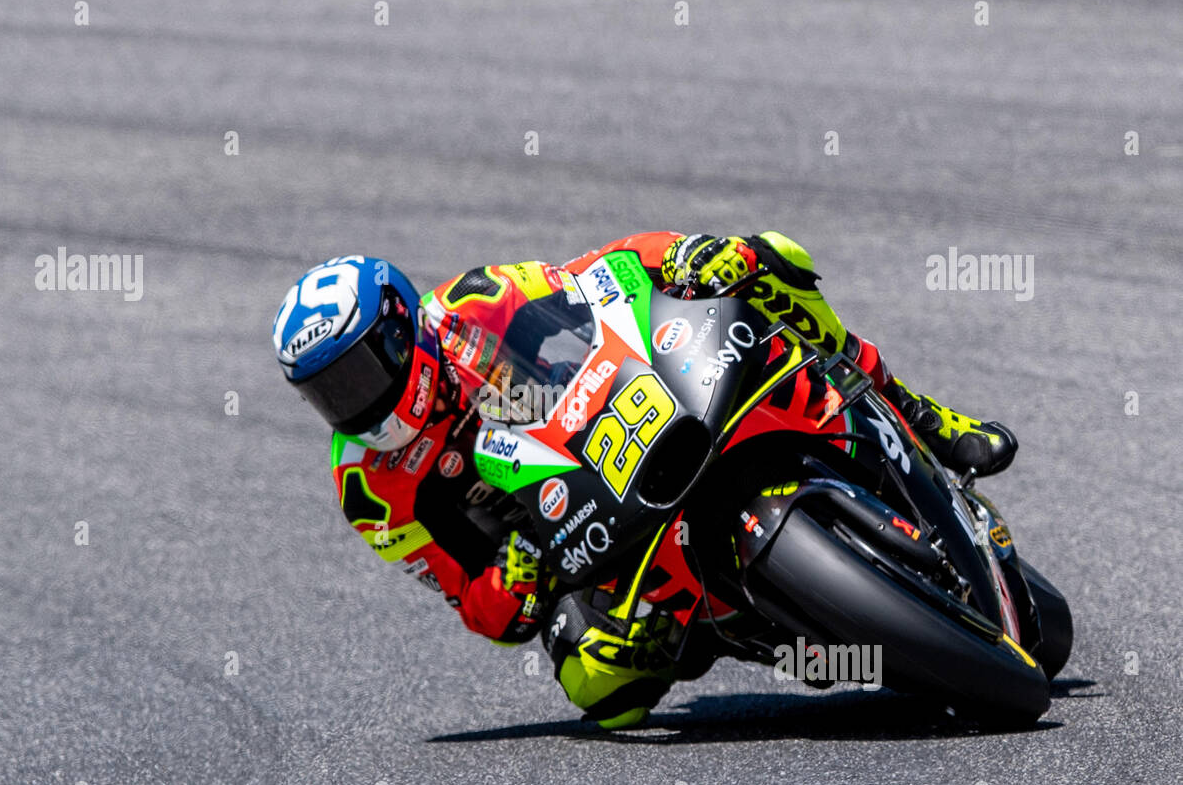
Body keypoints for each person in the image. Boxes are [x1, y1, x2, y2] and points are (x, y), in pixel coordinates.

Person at [271, 231, 1018, 727]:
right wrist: (517, 570)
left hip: (628, 416)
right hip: (578, 552)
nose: (353, 404)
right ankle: (754, 630)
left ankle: (919, 414)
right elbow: (476, 605)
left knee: (770, 260)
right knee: (602, 692)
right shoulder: (367, 488)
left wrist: (685, 256)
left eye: (357, 374)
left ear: (399, 330)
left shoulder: (474, 303)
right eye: (328, 394)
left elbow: (599, 276)